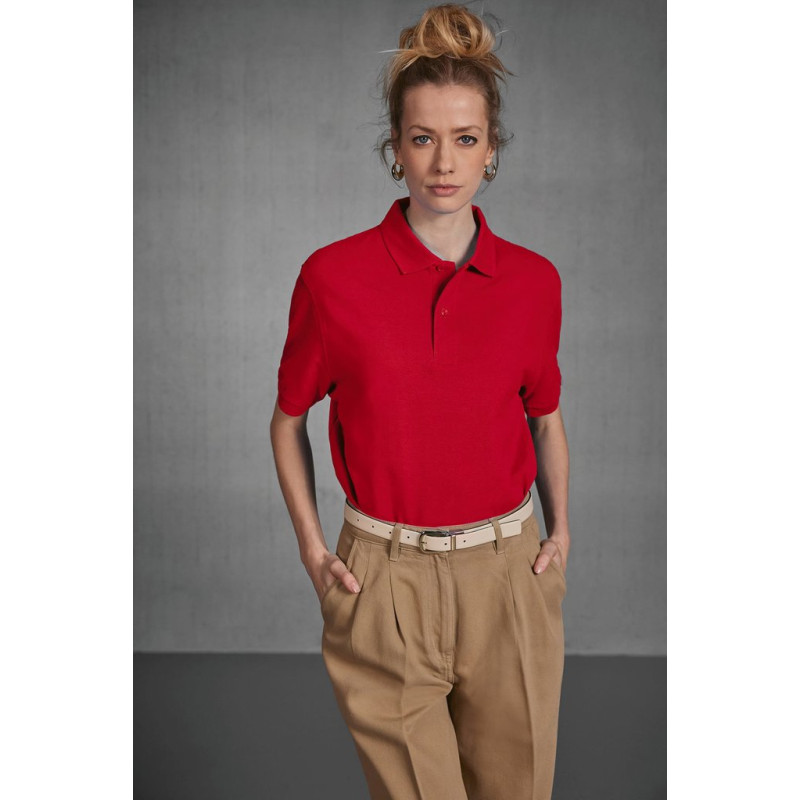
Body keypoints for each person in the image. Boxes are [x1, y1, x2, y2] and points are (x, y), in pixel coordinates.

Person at [270, 4, 571, 798]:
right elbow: (289, 419)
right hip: (383, 578)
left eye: (465, 139)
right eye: (423, 138)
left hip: (508, 576)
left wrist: (561, 532)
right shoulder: (332, 278)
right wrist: (312, 548)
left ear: (492, 148)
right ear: (395, 147)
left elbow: (544, 418)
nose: (444, 162)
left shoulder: (534, 282)